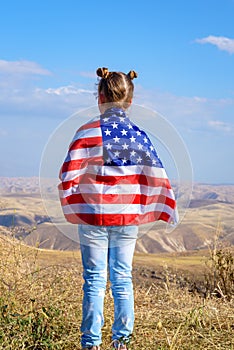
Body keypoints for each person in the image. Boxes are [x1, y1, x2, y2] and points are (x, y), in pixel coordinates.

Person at [58, 67, 178, 350]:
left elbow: (68, 177)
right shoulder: (138, 136)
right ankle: (121, 342)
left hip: (93, 218)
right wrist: (160, 206)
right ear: (130, 100)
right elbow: (155, 176)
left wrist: (78, 203)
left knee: (94, 279)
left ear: (99, 97)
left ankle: (91, 344)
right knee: (122, 277)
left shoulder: (86, 132)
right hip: (128, 218)